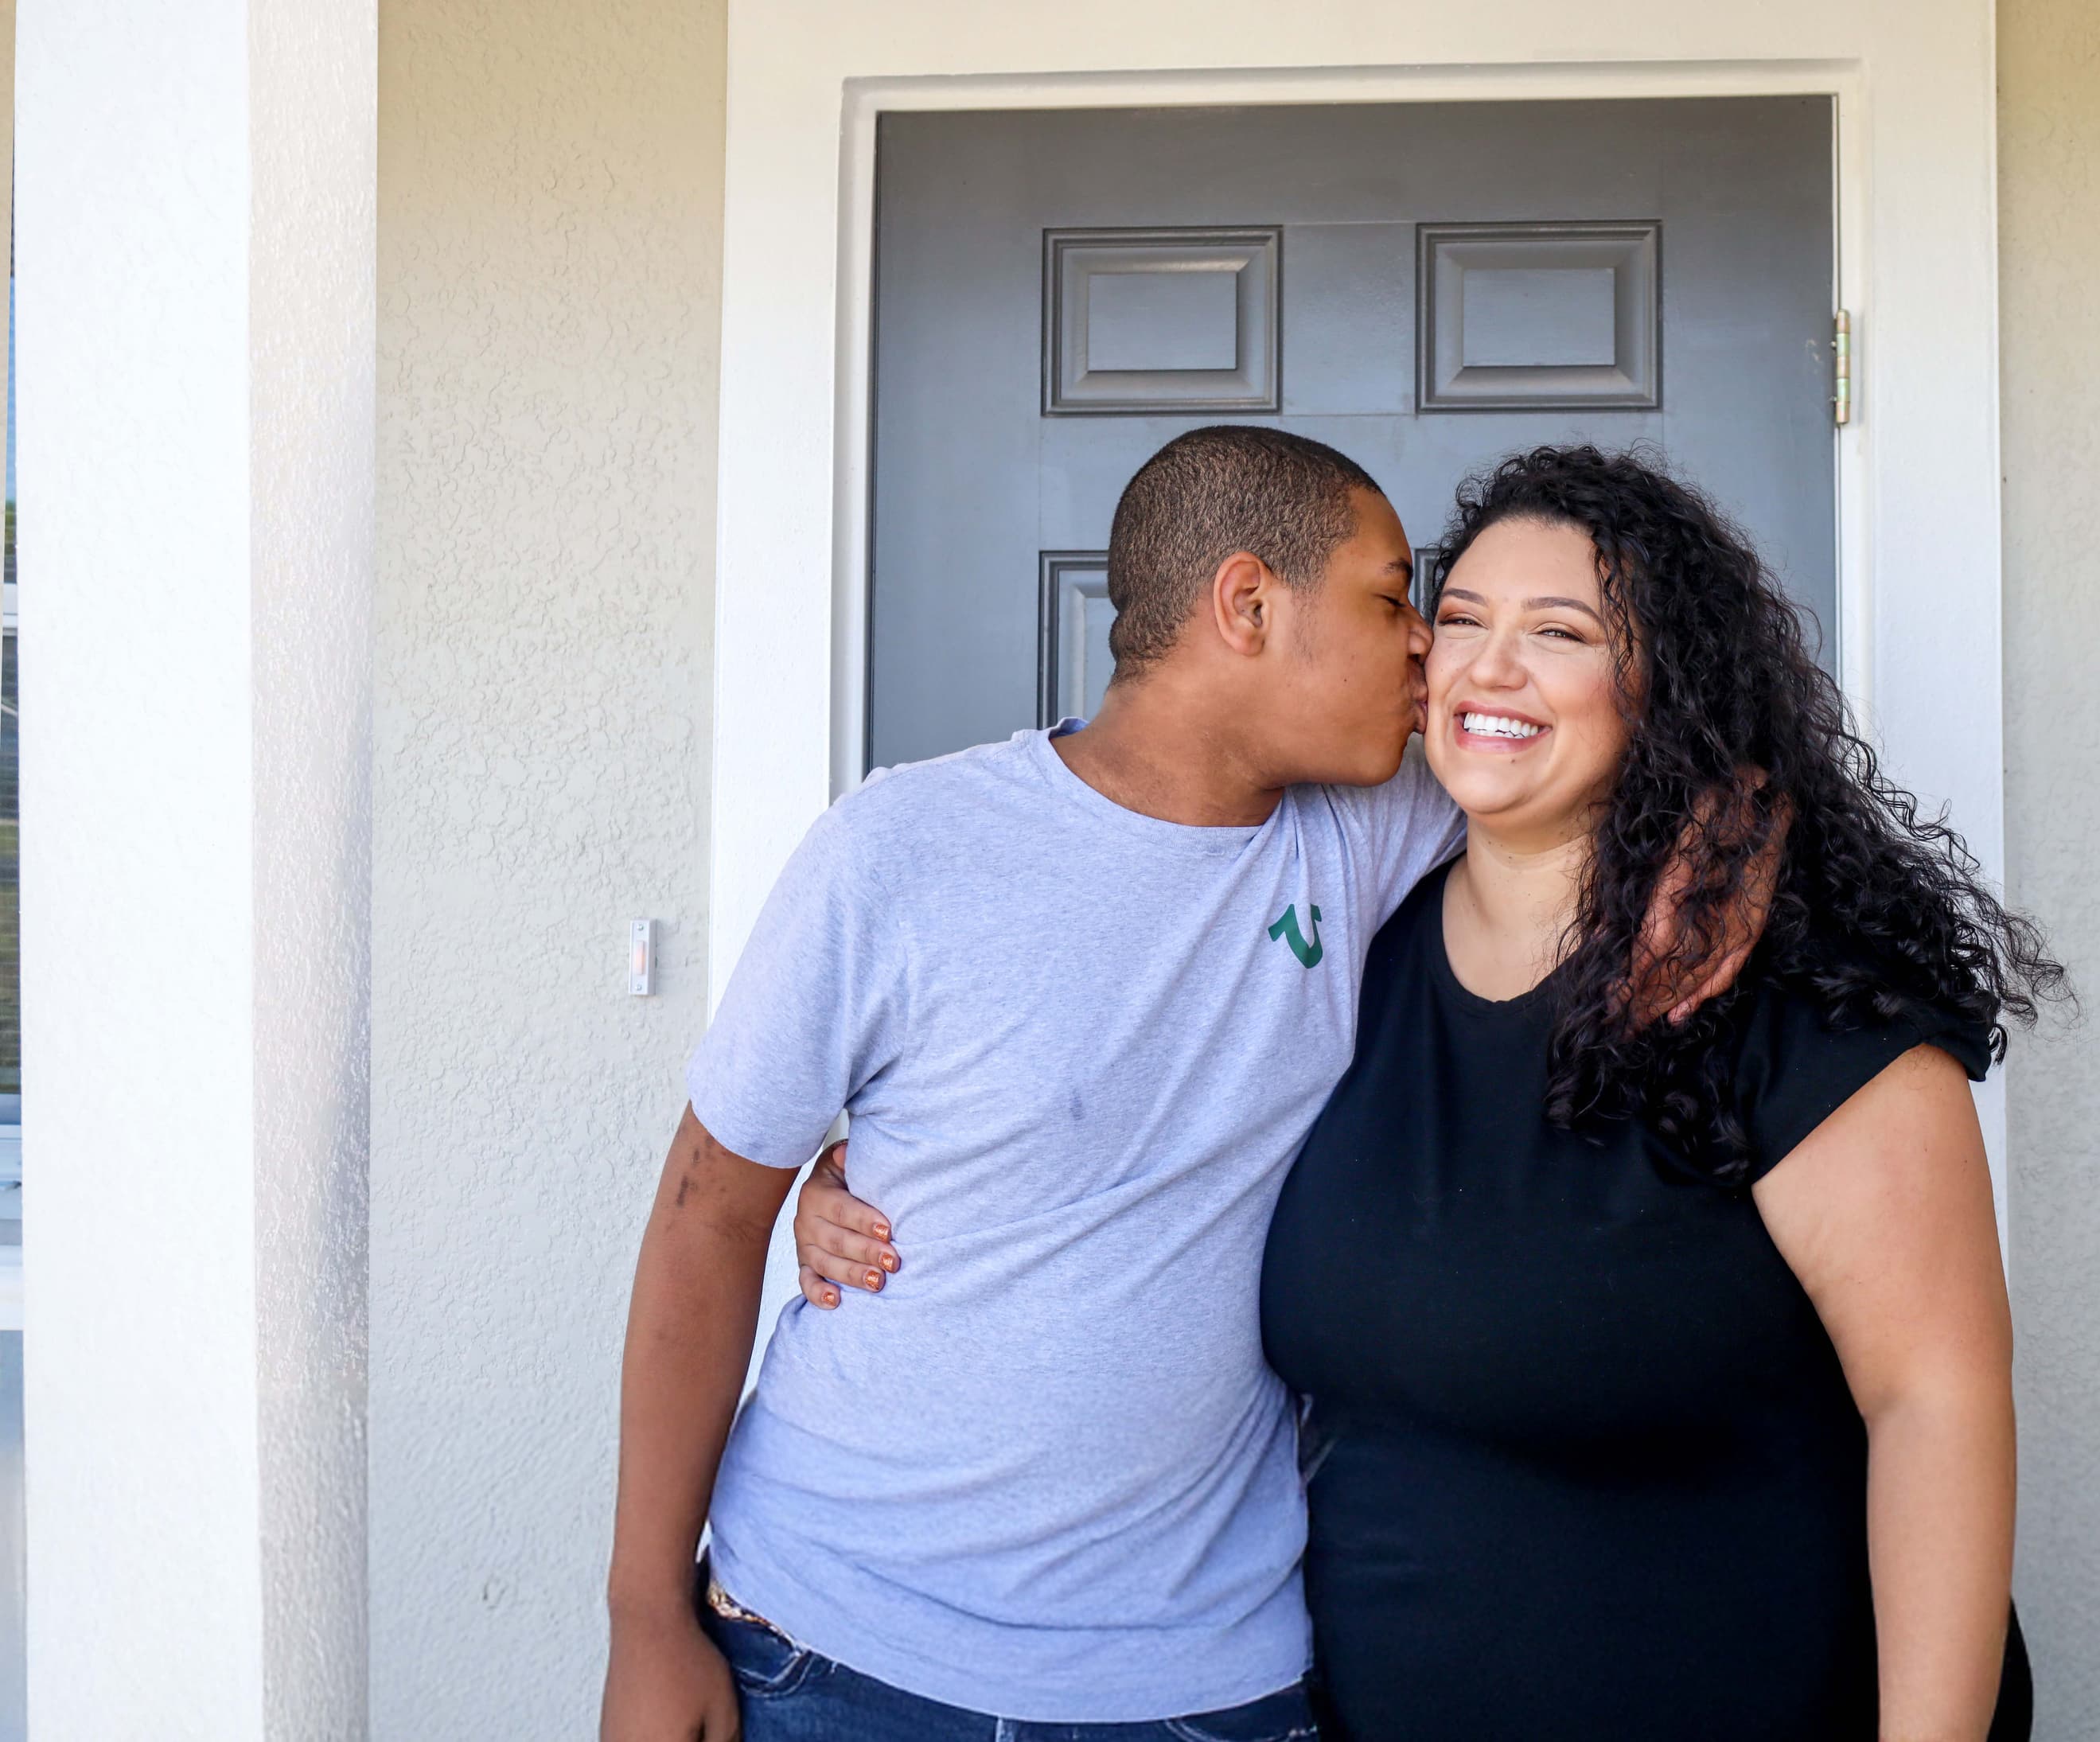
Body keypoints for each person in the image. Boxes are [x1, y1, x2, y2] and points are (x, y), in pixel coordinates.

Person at [799, 446, 2059, 1740]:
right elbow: (1111, 1095)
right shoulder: (1354, 943)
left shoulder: (1781, 994)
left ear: (1665, 686)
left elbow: (1937, 1400)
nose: (1486, 665)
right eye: (1459, 618)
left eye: (1559, 632)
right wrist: (865, 1180)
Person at [600, 425, 1762, 1742]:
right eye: (1394, 599)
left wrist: (1748, 826)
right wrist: (644, 1612)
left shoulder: (1369, 831)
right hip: (828, 1645)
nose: (1427, 649)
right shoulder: (900, 849)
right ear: (1249, 604)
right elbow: (706, 1218)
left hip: (1198, 1686)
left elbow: (1631, 757)